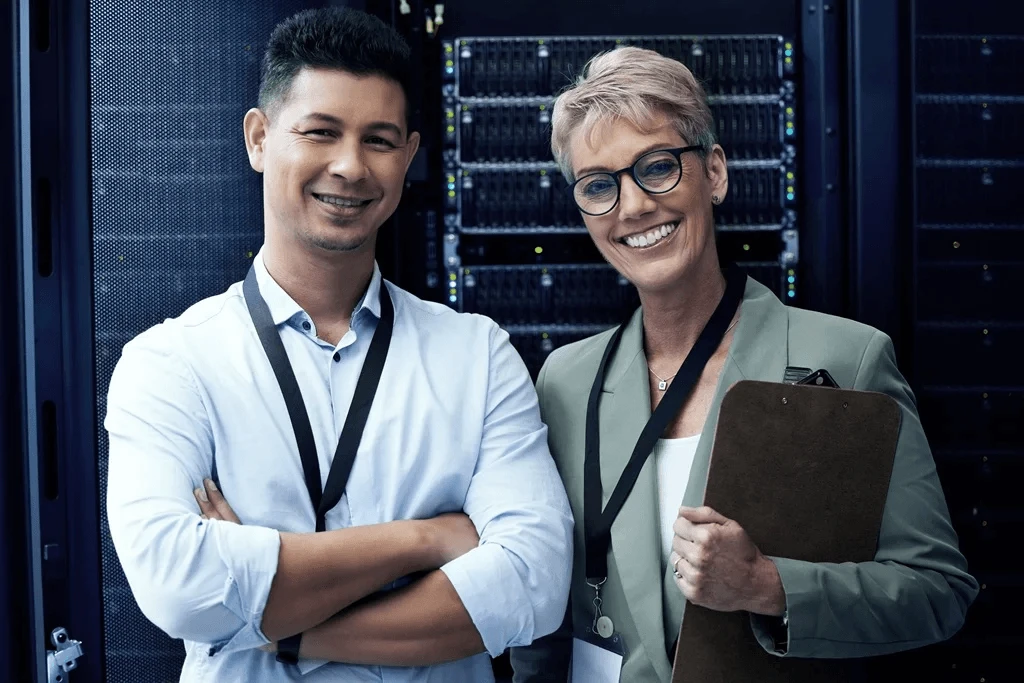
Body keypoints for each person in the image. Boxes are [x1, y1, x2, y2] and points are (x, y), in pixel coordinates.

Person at [104, 8, 573, 682]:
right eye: (321, 132)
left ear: (408, 159)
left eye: (379, 140)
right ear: (260, 138)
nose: (350, 166)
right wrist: (426, 538)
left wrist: (275, 628)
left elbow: (535, 583)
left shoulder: (477, 356)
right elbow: (180, 587)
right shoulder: (170, 364)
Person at [510, 46, 978, 682]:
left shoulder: (846, 359)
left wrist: (768, 585)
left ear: (716, 173)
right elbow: (546, 615)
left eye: (657, 167)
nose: (634, 205)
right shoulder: (566, 381)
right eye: (599, 184)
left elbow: (938, 592)